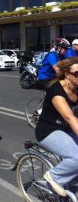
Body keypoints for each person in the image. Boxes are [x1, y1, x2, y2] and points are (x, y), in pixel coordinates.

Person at [35, 57, 78, 197]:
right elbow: (70, 118)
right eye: (77, 73)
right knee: (76, 157)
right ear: (67, 74)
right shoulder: (56, 91)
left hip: (67, 130)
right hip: (49, 130)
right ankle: (54, 177)